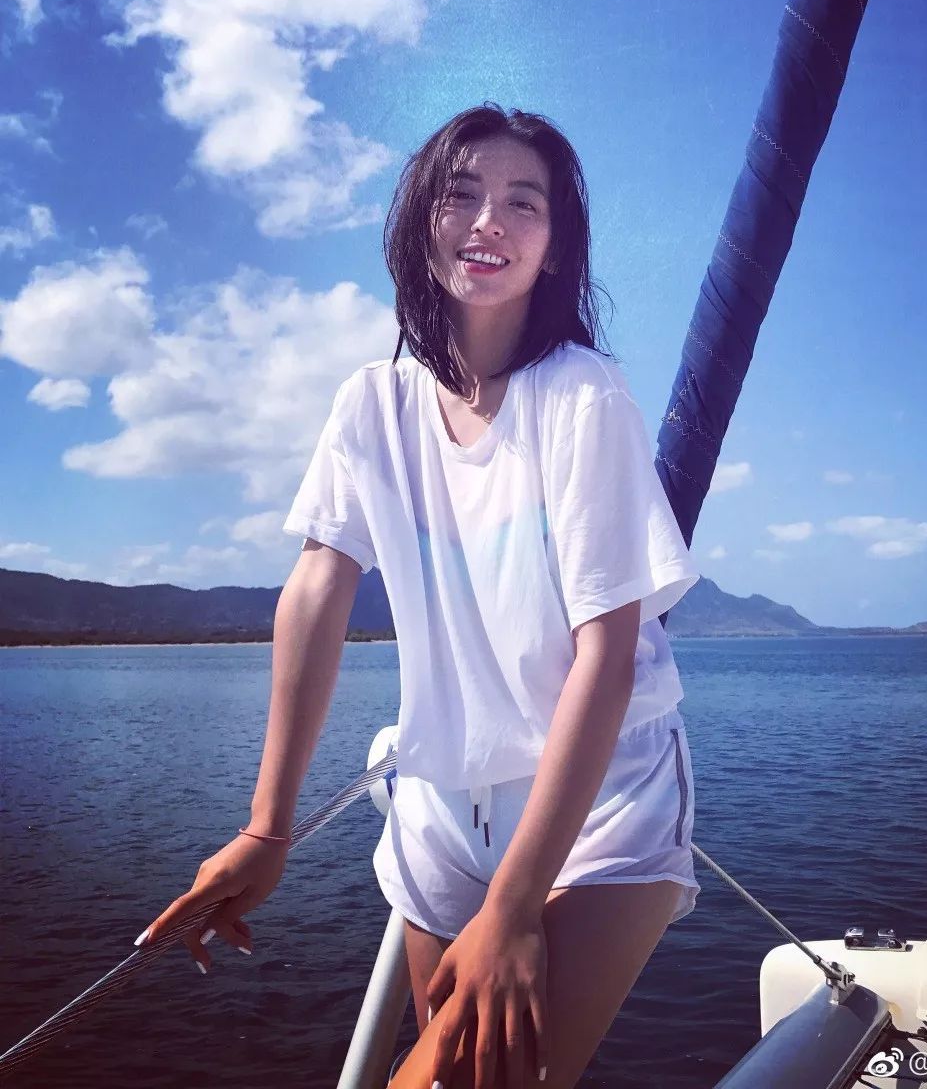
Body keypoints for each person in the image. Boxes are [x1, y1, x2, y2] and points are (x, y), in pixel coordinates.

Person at [135, 103, 701, 1089]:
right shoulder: (372, 403)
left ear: (554, 247)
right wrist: (268, 826)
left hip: (595, 800)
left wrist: (516, 902)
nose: (489, 220)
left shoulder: (580, 395)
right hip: (440, 800)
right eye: (461, 193)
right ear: (418, 221)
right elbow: (319, 586)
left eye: (523, 203)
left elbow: (606, 652)